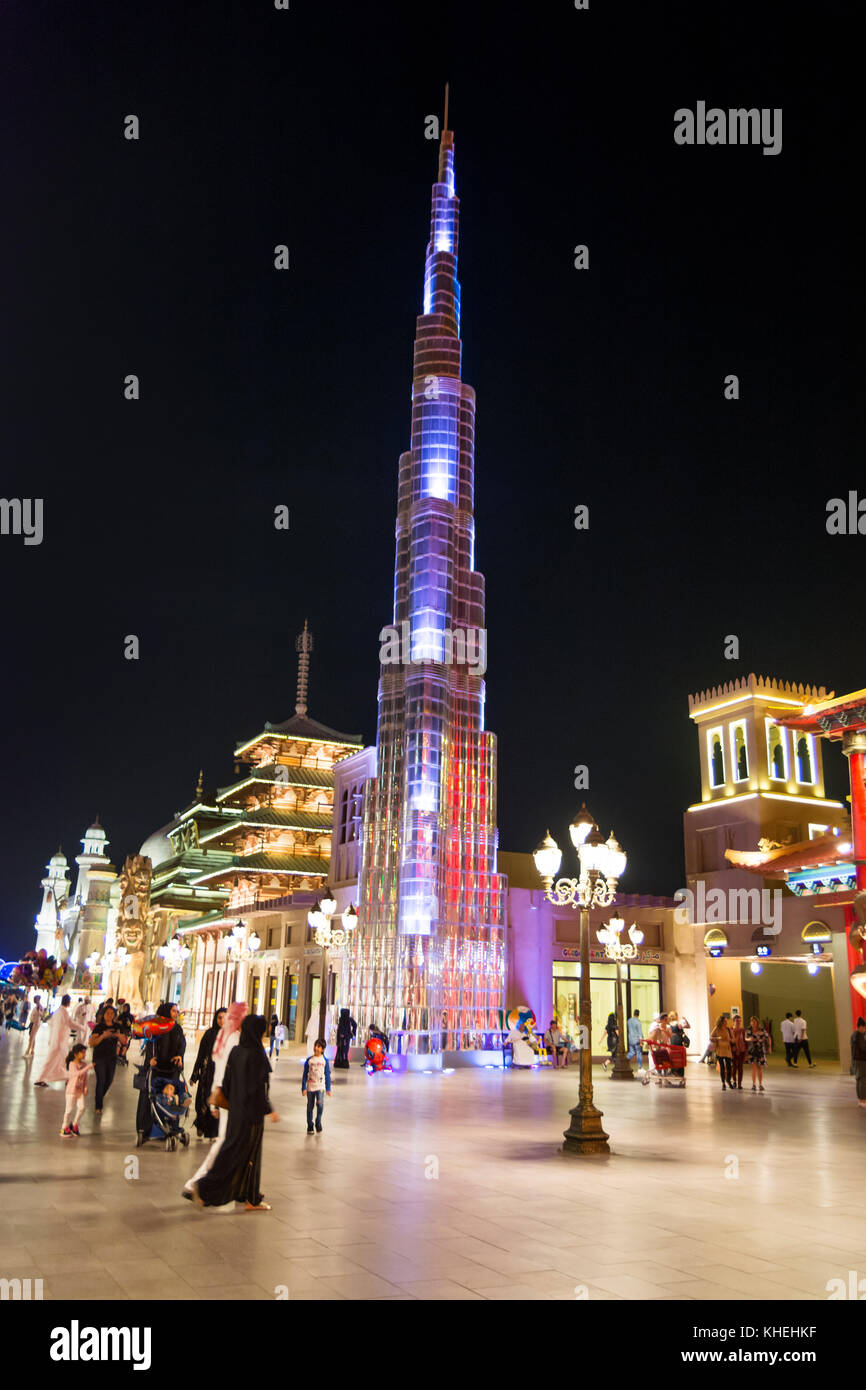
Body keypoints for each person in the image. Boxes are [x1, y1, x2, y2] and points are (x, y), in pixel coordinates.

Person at [191, 1014, 279, 1212]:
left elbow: (227, 1083)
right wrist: (269, 1110)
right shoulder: (257, 1054)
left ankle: (223, 1191)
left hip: (235, 1113)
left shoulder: (237, 1052)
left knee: (230, 1151)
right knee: (251, 1156)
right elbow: (259, 1088)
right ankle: (249, 1199)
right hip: (252, 1116)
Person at [183, 1001, 247, 1198]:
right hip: (229, 1096)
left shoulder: (225, 1036)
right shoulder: (232, 1038)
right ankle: (195, 1183)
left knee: (229, 1142)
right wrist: (214, 1100)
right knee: (224, 1142)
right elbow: (222, 1070)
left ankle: (239, 1186)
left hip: (224, 1095)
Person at [190, 1009, 224, 1139]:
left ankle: (213, 1132)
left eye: (224, 1018)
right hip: (207, 1074)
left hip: (221, 1075)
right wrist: (195, 1075)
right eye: (219, 1017)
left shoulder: (229, 1036)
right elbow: (201, 1055)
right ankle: (201, 1125)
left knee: (217, 1102)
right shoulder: (209, 1034)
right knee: (202, 1101)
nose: (222, 1021)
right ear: (216, 1018)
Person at [34, 995, 74, 1085]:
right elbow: (57, 1028)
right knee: (50, 1062)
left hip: (58, 1042)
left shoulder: (60, 1012)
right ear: (68, 1002)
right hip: (57, 1043)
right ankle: (40, 1079)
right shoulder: (61, 1013)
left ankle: (44, 1078)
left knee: (58, 1061)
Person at [89, 1005, 122, 1113]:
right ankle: (98, 1106)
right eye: (107, 1013)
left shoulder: (117, 1026)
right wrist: (103, 1036)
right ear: (103, 1015)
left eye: (112, 1013)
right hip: (99, 1057)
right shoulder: (99, 1027)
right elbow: (92, 1043)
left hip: (111, 1058)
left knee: (109, 1080)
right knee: (101, 1080)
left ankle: (99, 1098)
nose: (110, 1015)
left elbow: (124, 1041)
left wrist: (119, 1035)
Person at [61, 1044, 93, 1137]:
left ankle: (75, 1124)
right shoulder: (72, 1064)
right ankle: (64, 1127)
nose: (84, 1054)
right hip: (71, 1090)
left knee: (82, 1107)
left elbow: (85, 1077)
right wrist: (89, 1067)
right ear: (75, 1054)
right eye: (82, 1052)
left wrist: (85, 1087)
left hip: (80, 1091)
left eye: (85, 1052)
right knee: (69, 1110)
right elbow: (77, 1074)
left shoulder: (84, 1064)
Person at [302, 1038, 331, 1133]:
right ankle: (310, 1125)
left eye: (319, 1046)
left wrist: (328, 1088)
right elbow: (304, 1075)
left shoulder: (325, 1061)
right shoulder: (309, 1060)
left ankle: (318, 1122)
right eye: (315, 1046)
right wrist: (303, 1087)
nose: (316, 1048)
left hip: (320, 1087)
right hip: (310, 1087)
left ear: (323, 1049)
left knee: (320, 1104)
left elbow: (327, 1075)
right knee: (310, 1107)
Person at [710, 1013, 734, 1091]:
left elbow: (733, 1039)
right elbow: (711, 1037)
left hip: (727, 1050)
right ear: (721, 1022)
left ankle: (728, 1080)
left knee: (729, 1067)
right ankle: (723, 1083)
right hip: (719, 1050)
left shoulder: (728, 1029)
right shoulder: (717, 1028)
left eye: (726, 1021)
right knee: (722, 1068)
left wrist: (730, 1040)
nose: (726, 1022)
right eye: (725, 1021)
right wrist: (717, 1038)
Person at [746, 1015, 769, 1092]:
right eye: (752, 1022)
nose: (753, 1023)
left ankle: (760, 1084)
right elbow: (745, 1038)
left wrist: (769, 1047)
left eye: (755, 1021)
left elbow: (768, 1037)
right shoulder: (749, 1030)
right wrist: (749, 1039)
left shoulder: (762, 1029)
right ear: (751, 1022)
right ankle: (753, 1084)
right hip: (752, 1050)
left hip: (760, 1050)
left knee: (759, 1068)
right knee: (754, 1068)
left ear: (757, 1022)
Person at [669, 1012, 691, 1078]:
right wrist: (685, 1020)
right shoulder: (679, 1023)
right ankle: (680, 1073)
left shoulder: (669, 1025)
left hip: (672, 1041)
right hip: (678, 1040)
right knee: (680, 1057)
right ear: (676, 1016)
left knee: (673, 1056)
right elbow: (688, 1026)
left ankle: (673, 1071)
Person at [850, 1017, 866, 1107]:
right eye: (864, 1028)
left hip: (856, 1060)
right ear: (860, 1027)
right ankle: (863, 1100)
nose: (865, 1030)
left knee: (859, 1079)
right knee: (863, 1080)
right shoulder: (858, 1035)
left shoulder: (853, 1035)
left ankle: (860, 1099)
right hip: (861, 1061)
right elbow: (863, 1048)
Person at [730, 1014, 747, 1090]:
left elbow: (745, 1040)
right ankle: (734, 1081)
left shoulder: (742, 1030)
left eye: (740, 1021)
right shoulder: (731, 1030)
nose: (738, 1022)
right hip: (733, 1051)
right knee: (734, 1067)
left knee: (740, 1067)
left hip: (741, 1051)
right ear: (733, 1022)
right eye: (737, 1021)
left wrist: (746, 1051)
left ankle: (739, 1083)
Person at [626, 1009, 644, 1073]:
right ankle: (640, 1067)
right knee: (639, 1053)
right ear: (638, 1014)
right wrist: (641, 1041)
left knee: (632, 1052)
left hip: (630, 1039)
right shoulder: (638, 1022)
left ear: (633, 1013)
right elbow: (639, 1032)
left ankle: (625, 1061)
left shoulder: (629, 1021)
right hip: (636, 1040)